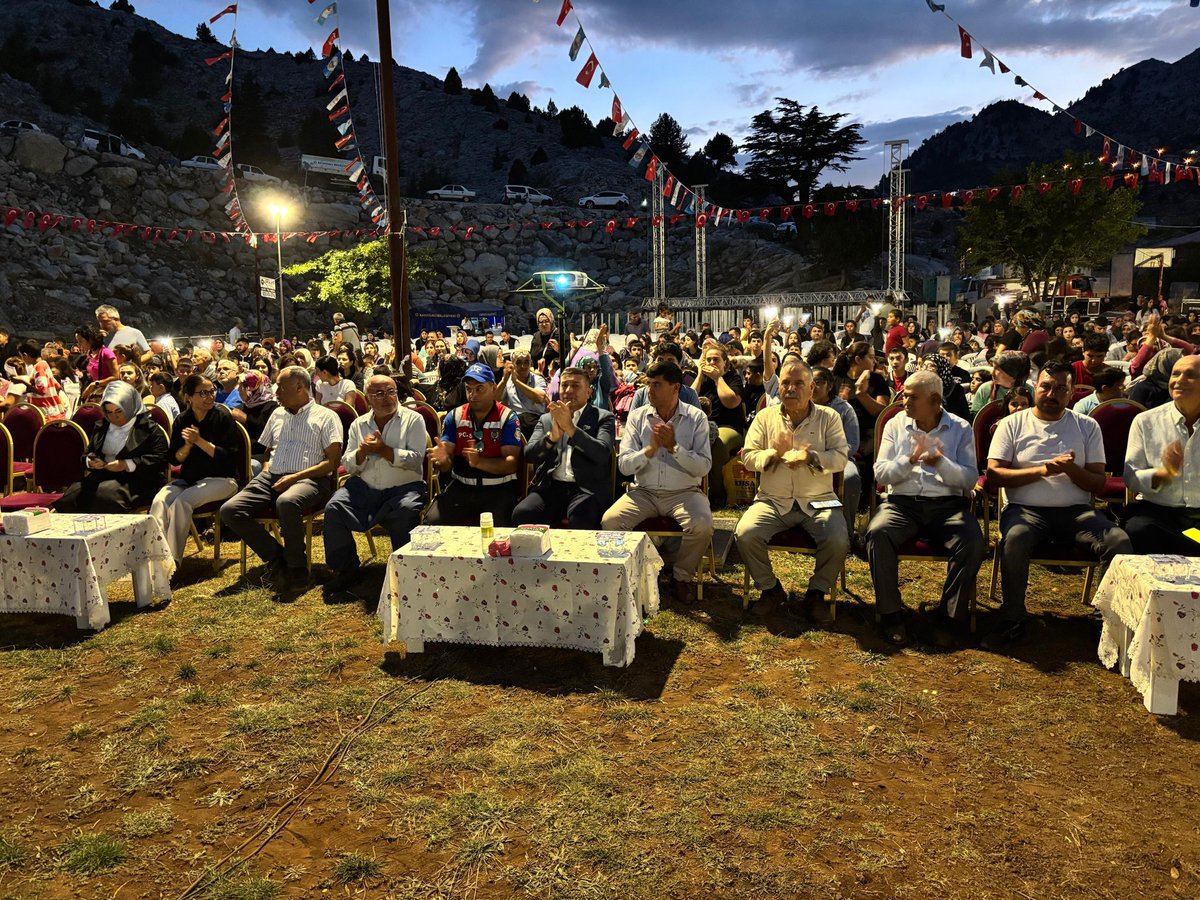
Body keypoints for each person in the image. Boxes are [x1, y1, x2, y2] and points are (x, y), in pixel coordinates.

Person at [985, 362, 1133, 649]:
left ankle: (1104, 619)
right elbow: (995, 475)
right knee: (1015, 539)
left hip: (1076, 512)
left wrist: (1070, 470)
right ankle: (1012, 618)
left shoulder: (1086, 426)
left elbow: (1098, 484)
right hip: (1025, 510)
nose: (1051, 394)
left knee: (1118, 541)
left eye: (1060, 389)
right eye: (1046, 386)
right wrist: (1043, 470)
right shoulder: (1012, 424)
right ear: (1035, 388)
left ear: (1072, 393)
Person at [866, 370, 984, 646]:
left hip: (948, 506)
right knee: (878, 533)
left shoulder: (960, 428)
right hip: (902, 504)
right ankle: (891, 614)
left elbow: (969, 479)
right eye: (904, 394)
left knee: (972, 541)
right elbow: (881, 473)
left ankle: (949, 618)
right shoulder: (896, 424)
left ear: (934, 401)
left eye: (911, 397)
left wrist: (940, 462)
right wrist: (910, 459)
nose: (904, 401)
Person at [736, 360, 850, 617]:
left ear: (811, 388)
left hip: (819, 500)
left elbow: (841, 458)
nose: (791, 388)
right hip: (773, 499)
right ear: (778, 388)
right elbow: (748, 457)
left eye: (799, 383)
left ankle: (817, 593)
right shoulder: (765, 417)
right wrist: (772, 455)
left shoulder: (829, 417)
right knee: (745, 533)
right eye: (786, 383)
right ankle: (770, 589)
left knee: (838, 539)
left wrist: (811, 457)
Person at [219, 367, 343, 593]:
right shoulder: (277, 414)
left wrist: (294, 477)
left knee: (287, 501)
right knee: (230, 510)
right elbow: (267, 450)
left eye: (282, 388)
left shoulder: (326, 417)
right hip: (273, 476)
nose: (276, 393)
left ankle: (297, 568)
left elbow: (332, 463)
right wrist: (267, 467)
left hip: (311, 480)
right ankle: (276, 557)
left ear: (300, 387)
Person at [601, 360, 713, 605]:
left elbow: (704, 467)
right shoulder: (638, 416)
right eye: (649, 384)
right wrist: (648, 452)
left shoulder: (696, 418)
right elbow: (624, 466)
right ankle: (635, 573)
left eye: (657, 384)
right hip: (645, 492)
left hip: (684, 492)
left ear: (675, 388)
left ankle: (681, 577)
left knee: (702, 525)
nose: (649, 390)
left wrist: (674, 448)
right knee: (611, 521)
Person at [322, 374, 429, 598]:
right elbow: (348, 464)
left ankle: (404, 572)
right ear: (368, 398)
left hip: (404, 487)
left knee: (406, 511)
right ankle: (346, 570)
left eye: (391, 392)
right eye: (379, 393)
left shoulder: (413, 420)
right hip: (365, 486)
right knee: (334, 508)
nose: (387, 398)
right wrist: (362, 452)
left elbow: (416, 460)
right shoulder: (358, 424)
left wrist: (383, 450)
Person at [150, 375, 240, 564]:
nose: (210, 396)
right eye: (203, 393)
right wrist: (188, 446)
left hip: (223, 479)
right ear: (188, 397)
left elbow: (229, 456)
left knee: (181, 503)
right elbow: (174, 458)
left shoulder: (222, 417)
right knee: (159, 502)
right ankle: (156, 559)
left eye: (212, 391)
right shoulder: (183, 420)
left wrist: (199, 441)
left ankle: (172, 563)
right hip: (189, 479)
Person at [512, 366, 616, 529]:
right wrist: (551, 438)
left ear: (589, 392)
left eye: (575, 386)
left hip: (586, 489)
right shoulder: (547, 419)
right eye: (564, 385)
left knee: (581, 517)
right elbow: (529, 455)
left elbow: (602, 454)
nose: (568, 391)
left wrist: (571, 429)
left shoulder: (603, 417)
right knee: (522, 513)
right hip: (551, 487)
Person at [425, 363, 522, 527]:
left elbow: (511, 464)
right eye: (468, 389)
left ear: (493, 388)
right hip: (462, 486)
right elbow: (446, 465)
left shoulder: (508, 418)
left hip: (499, 488)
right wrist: (442, 461)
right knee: (433, 521)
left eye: (479, 388)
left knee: (499, 528)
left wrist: (479, 462)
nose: (472, 394)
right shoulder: (454, 417)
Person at [1123, 354, 1200, 555]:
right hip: (1159, 515)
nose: (1179, 380)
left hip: (1197, 519)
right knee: (1139, 529)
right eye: (1176, 374)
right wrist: (1163, 474)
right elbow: (1131, 478)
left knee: (1192, 538)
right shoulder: (1146, 421)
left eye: (1190, 375)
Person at [54, 381, 169, 513]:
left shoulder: (149, 429)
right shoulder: (102, 426)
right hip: (104, 476)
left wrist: (126, 464)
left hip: (137, 480)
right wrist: (91, 461)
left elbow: (160, 460)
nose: (115, 417)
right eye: (109, 412)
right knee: (72, 495)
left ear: (130, 407)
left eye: (119, 411)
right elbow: (88, 453)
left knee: (103, 495)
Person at [693, 341, 745, 508]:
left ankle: (716, 495)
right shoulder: (702, 381)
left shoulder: (733, 379)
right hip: (701, 428)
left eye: (716, 360)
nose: (711, 363)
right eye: (708, 360)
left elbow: (731, 402)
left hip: (728, 428)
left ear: (725, 363)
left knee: (718, 444)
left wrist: (718, 379)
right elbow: (688, 401)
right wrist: (700, 375)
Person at [497, 348, 548, 438]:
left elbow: (540, 398)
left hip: (535, 420)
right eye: (518, 362)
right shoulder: (507, 380)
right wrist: (504, 380)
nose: (523, 366)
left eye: (526, 362)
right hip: (514, 421)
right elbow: (494, 399)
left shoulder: (538, 379)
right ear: (513, 364)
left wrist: (517, 382)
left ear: (530, 364)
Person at [16, 340, 65, 420]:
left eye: (21, 356)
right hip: (53, 411)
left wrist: (22, 381)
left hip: (46, 413)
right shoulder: (44, 364)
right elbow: (58, 386)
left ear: (25, 355)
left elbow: (42, 390)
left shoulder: (39, 367)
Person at [78, 324, 119, 401]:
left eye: (81, 341)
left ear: (90, 340)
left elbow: (116, 377)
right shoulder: (90, 353)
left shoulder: (106, 353)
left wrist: (95, 384)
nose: (79, 344)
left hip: (109, 394)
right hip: (97, 393)